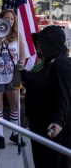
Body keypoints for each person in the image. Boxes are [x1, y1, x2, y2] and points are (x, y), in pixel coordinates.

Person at [22, 25, 71, 168]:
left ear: (50, 43)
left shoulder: (62, 64)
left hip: (53, 130)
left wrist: (58, 121)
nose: (37, 45)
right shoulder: (47, 62)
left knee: (53, 162)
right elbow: (37, 80)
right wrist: (21, 72)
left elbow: (65, 95)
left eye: (40, 42)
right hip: (40, 126)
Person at [0, 9, 27, 149]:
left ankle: (15, 134)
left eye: (11, 19)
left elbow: (22, 55)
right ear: (0, 19)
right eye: (6, 18)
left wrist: (20, 65)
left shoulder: (16, 35)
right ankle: (1, 136)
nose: (9, 21)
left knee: (15, 106)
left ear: (14, 21)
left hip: (12, 76)